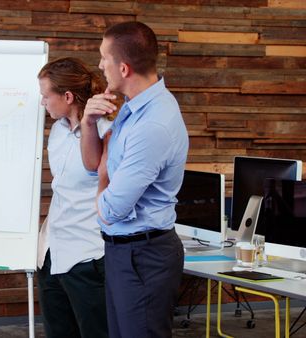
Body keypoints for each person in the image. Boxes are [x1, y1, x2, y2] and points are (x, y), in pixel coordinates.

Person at [81, 21, 188, 338]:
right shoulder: (133, 108)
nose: (100, 65)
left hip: (144, 256)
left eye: (104, 58)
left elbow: (112, 208)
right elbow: (92, 164)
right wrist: (88, 123)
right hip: (124, 252)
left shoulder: (152, 123)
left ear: (124, 68)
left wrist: (103, 177)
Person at [36, 57, 108, 338]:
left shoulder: (105, 131)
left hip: (87, 255)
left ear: (67, 96)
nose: (43, 102)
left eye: (46, 96)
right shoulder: (56, 131)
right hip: (52, 253)